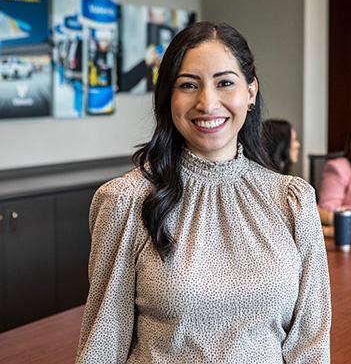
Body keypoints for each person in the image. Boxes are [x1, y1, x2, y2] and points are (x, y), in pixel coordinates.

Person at [76, 22, 331, 363]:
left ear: (251, 92)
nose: (207, 103)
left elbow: (309, 345)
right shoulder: (126, 201)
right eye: (188, 85)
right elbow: (103, 344)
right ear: (168, 97)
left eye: (225, 82)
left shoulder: (291, 200)